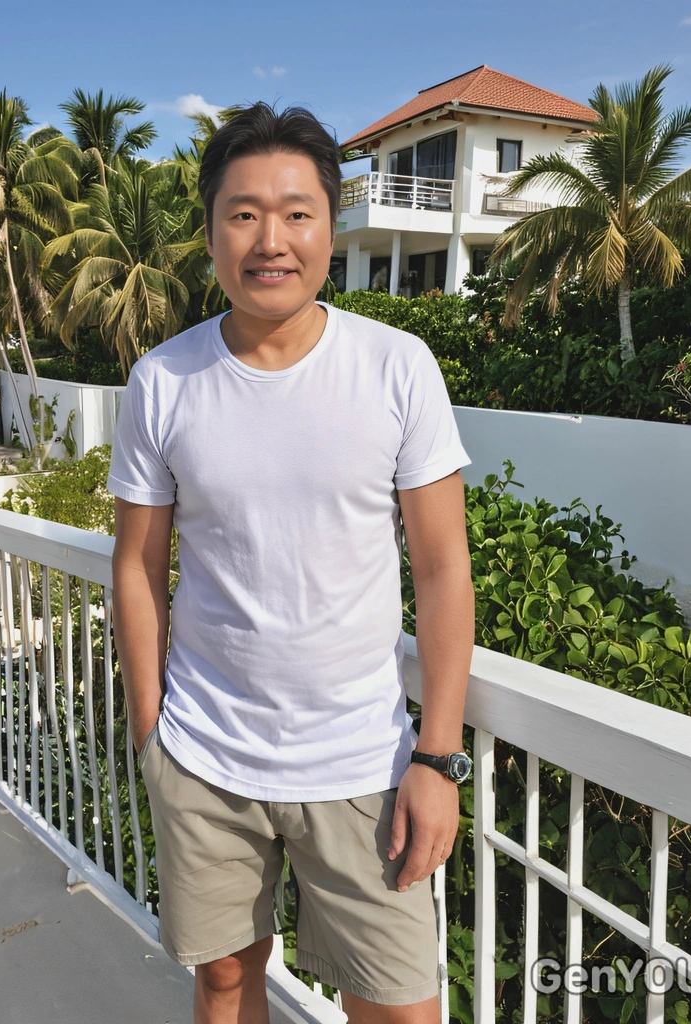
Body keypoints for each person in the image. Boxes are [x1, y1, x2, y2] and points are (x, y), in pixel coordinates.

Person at [108, 103, 475, 1024]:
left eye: (296, 212)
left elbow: (440, 569)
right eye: (243, 213)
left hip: (363, 760)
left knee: (395, 1003)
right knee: (225, 978)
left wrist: (438, 757)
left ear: (330, 224)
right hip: (204, 753)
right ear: (210, 232)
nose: (270, 240)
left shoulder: (397, 367)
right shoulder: (163, 380)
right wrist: (152, 730)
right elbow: (137, 565)